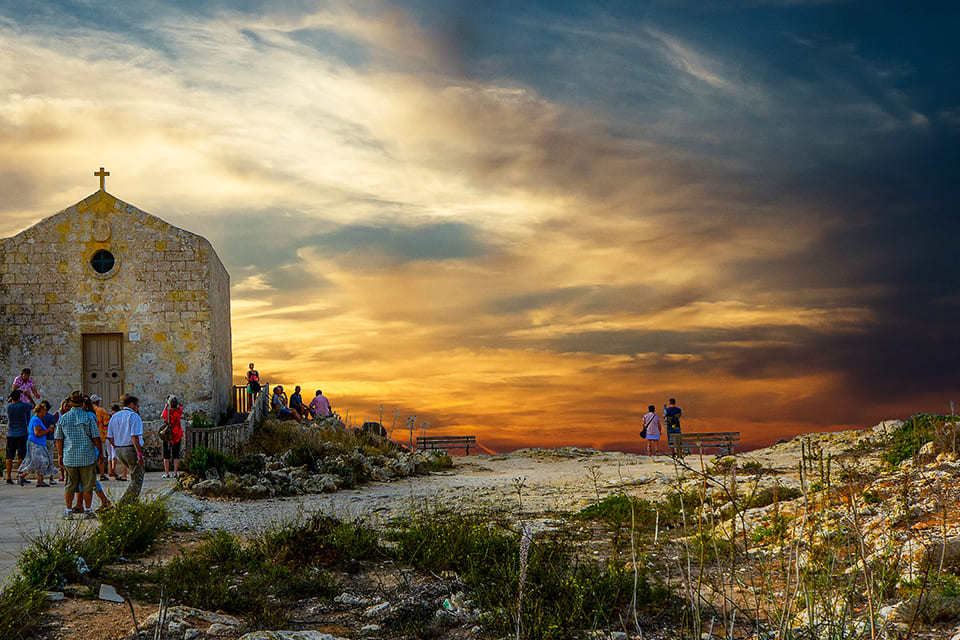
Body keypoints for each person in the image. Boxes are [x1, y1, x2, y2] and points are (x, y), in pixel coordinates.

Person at [54, 391, 103, 519]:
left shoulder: (63, 418)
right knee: (88, 485)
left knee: (69, 485)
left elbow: (59, 439)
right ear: (82, 403)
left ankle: (69, 512)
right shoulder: (88, 417)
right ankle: (87, 511)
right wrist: (101, 453)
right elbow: (96, 437)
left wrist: (60, 455)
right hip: (87, 456)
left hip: (70, 456)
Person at [107, 394, 145, 505]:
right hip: (130, 449)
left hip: (119, 449)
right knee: (138, 477)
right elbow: (134, 436)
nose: (137, 408)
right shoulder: (133, 416)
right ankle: (126, 502)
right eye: (136, 405)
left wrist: (117, 446)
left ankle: (132, 500)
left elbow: (109, 436)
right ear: (131, 404)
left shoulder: (115, 416)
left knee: (134, 474)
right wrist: (139, 454)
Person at [17, 401, 58, 486]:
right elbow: (37, 433)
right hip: (36, 443)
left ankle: (40, 481)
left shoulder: (38, 419)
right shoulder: (36, 420)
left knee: (42, 462)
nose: (46, 412)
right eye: (45, 410)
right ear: (41, 411)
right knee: (37, 461)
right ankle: (22, 475)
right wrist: (48, 430)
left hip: (39, 443)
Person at [5, 390, 33, 485]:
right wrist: (29, 396)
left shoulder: (8, 407)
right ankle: (20, 475)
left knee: (9, 456)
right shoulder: (23, 406)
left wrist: (10, 399)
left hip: (11, 434)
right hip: (22, 433)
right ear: (19, 398)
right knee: (21, 455)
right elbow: (33, 405)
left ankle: (8, 477)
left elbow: (7, 403)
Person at [161, 396, 184, 478]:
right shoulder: (179, 411)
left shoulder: (167, 412)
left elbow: (162, 416)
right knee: (176, 454)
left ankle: (167, 472)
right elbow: (181, 406)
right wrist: (178, 402)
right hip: (177, 433)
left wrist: (166, 406)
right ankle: (175, 473)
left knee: (166, 454)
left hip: (168, 434)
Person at [90, 395, 112, 481]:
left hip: (89, 437)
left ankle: (91, 474)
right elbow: (106, 422)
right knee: (101, 456)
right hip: (100, 436)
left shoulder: (88, 411)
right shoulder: (101, 411)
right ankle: (102, 474)